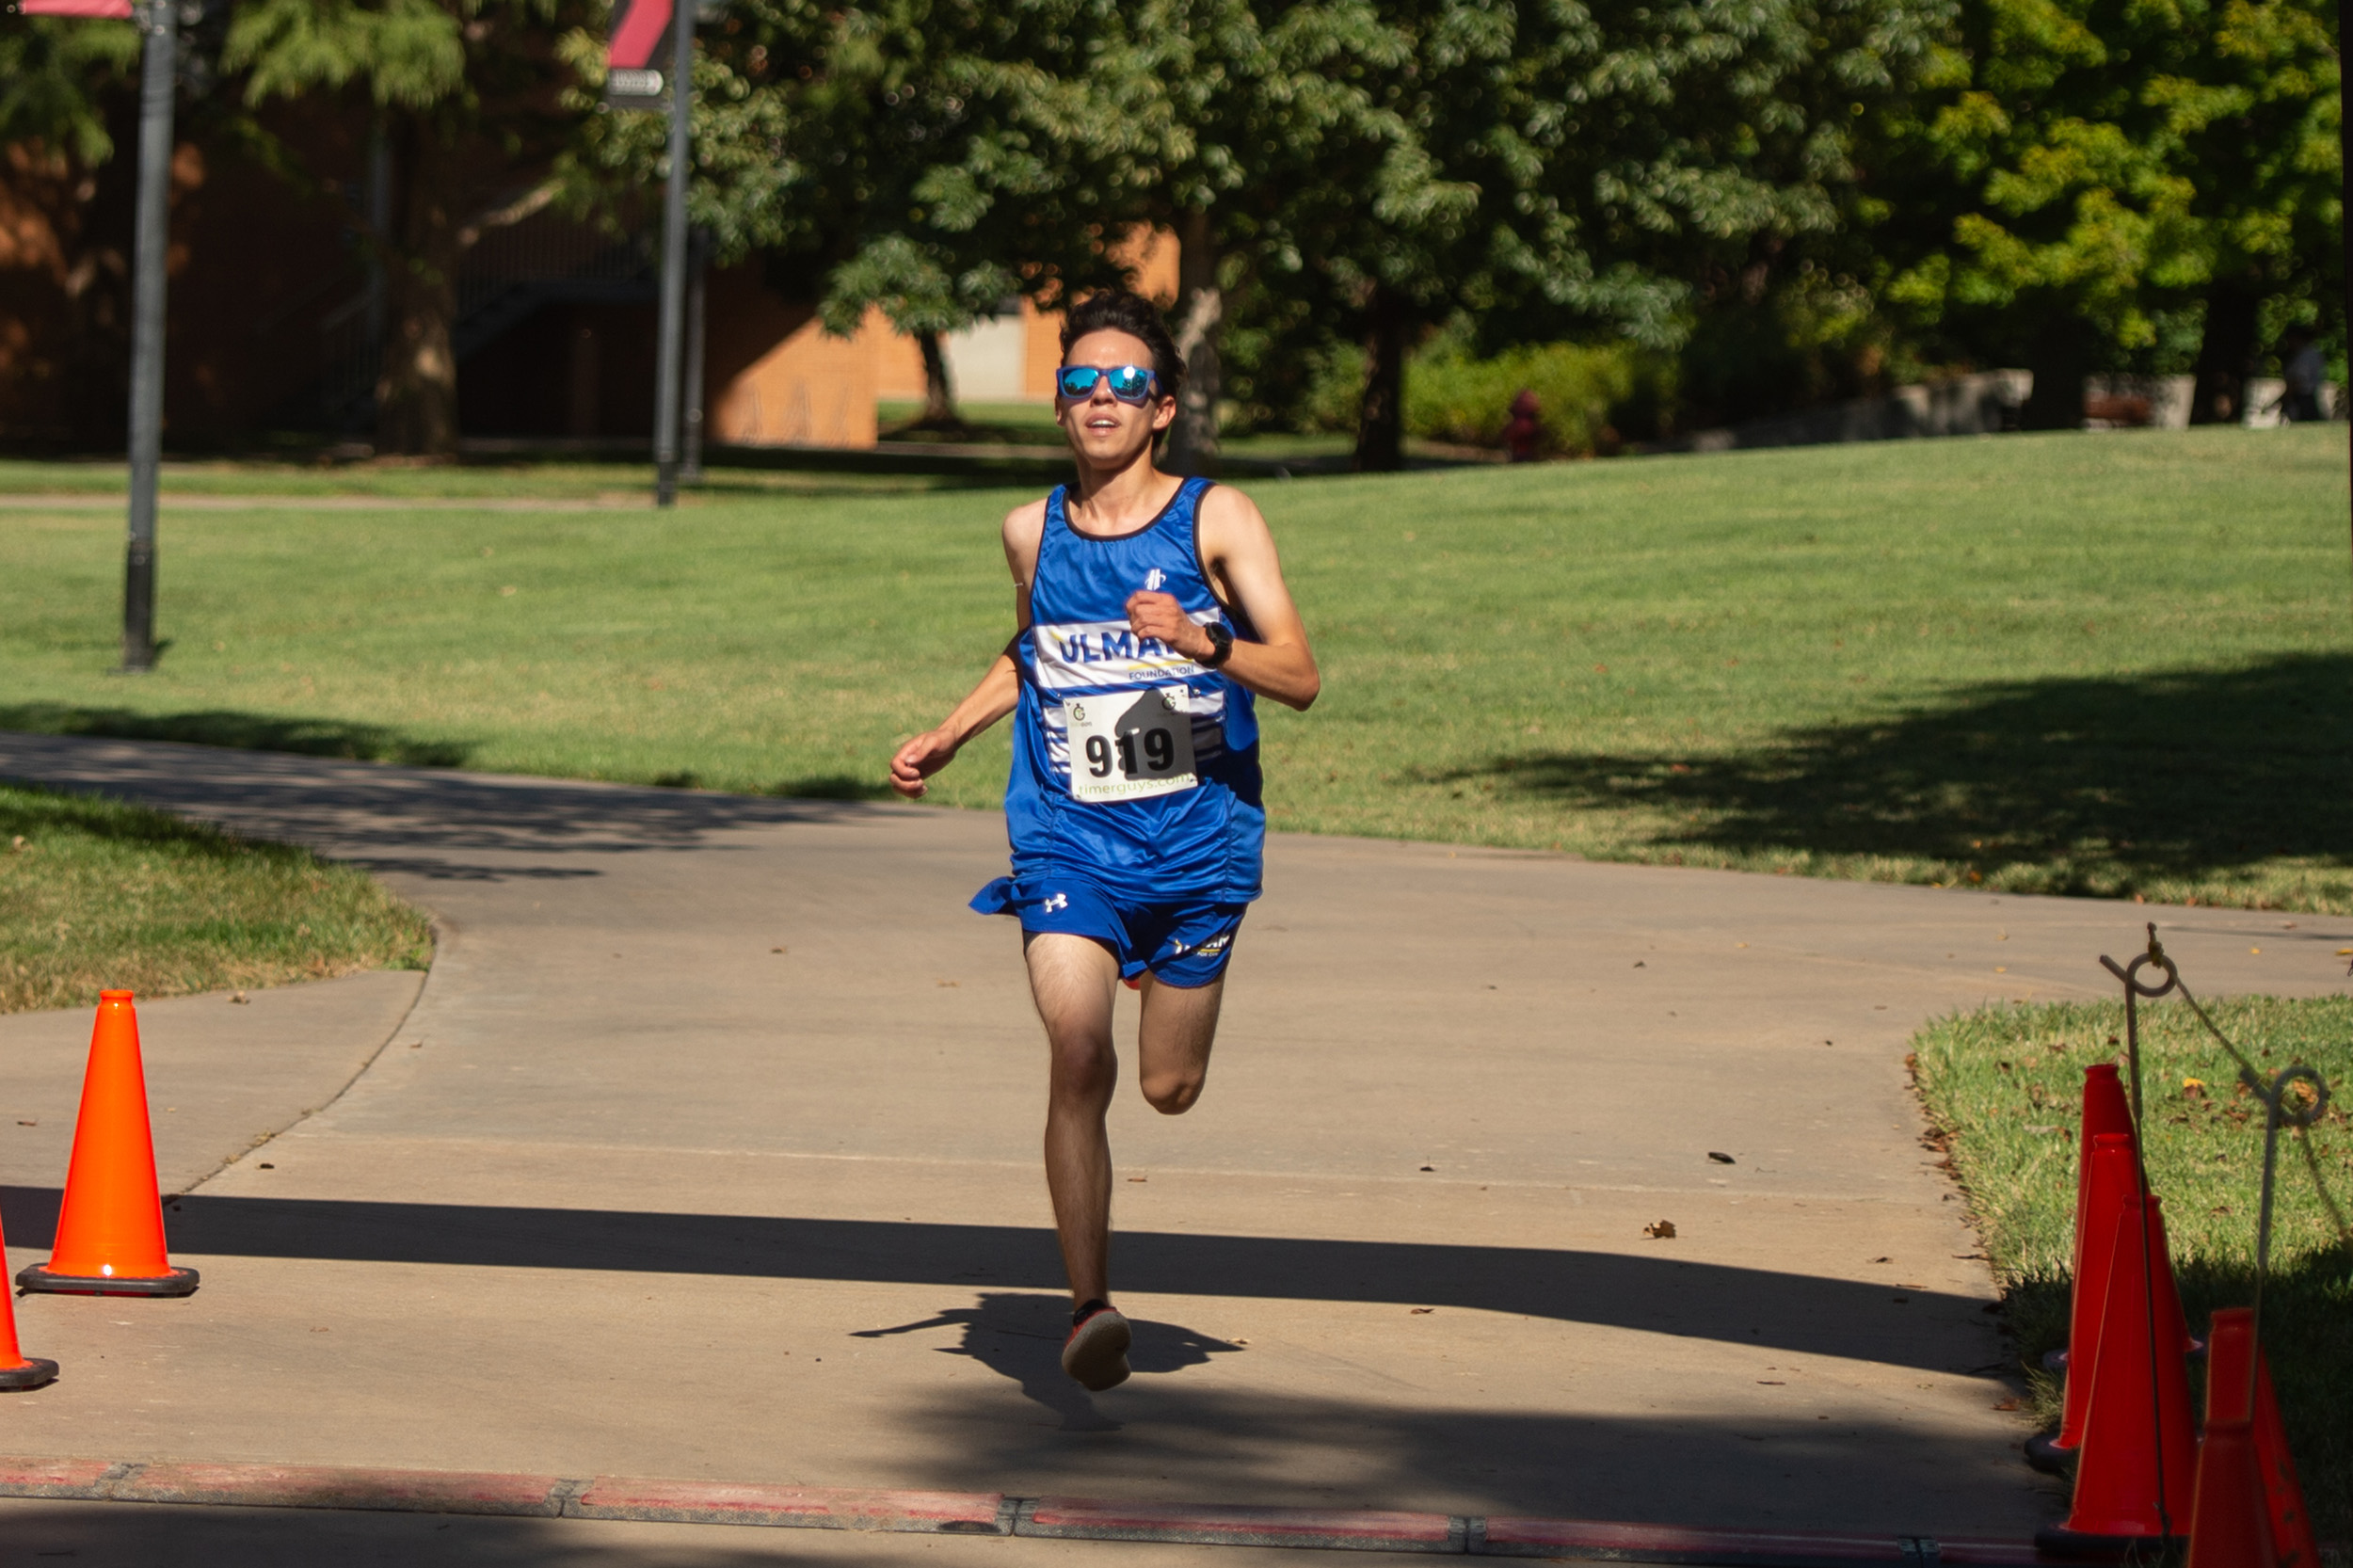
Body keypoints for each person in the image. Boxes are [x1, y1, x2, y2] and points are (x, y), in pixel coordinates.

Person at [888, 290, 1321, 1392]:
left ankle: (1162, 965)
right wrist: (948, 732)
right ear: (1058, 405)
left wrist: (1199, 636)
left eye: (1125, 383)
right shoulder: (1029, 528)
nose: (1099, 398)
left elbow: (1300, 675)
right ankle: (1089, 1309)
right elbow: (1031, 649)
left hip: (1196, 847)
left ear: (1163, 409)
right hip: (1067, 839)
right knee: (1080, 1053)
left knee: (1167, 1086)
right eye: (1079, 381)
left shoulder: (1216, 519)